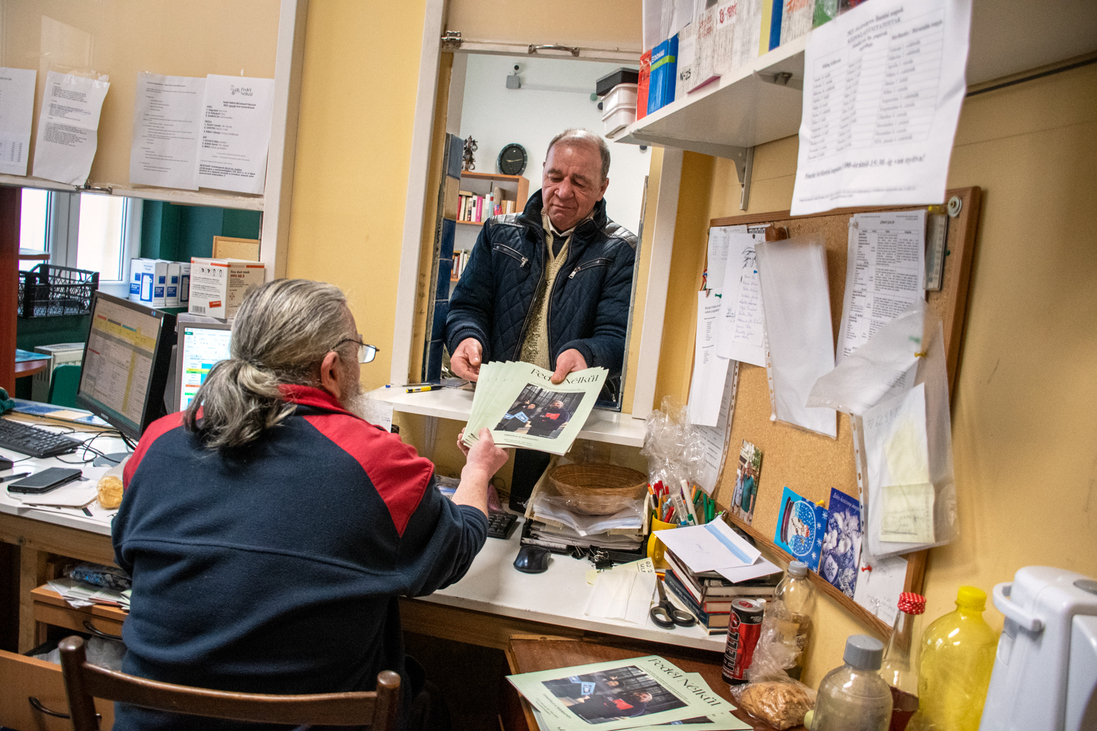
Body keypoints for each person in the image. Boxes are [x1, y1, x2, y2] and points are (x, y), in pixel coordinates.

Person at [112, 279, 508, 731]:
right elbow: (453, 551)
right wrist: (477, 472)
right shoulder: (376, 463)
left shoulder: (158, 443)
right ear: (332, 370)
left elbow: (129, 557)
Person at [445, 128, 636, 390]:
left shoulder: (622, 249)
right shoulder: (497, 233)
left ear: (602, 187)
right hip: (494, 395)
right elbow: (467, 307)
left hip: (573, 407)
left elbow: (619, 337)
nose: (563, 191)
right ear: (544, 170)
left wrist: (586, 354)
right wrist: (466, 338)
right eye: (554, 177)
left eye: (579, 183)